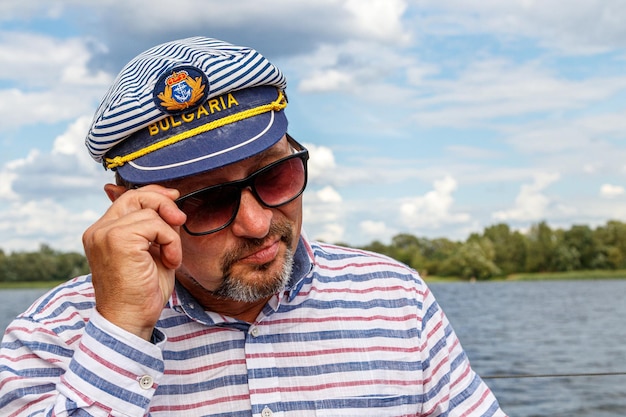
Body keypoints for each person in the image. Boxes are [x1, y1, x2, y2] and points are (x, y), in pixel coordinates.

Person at [0, 36, 507, 416]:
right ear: (125, 208)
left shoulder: (395, 298)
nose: (257, 221)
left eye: (274, 174)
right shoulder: (52, 336)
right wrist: (122, 331)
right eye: (207, 201)